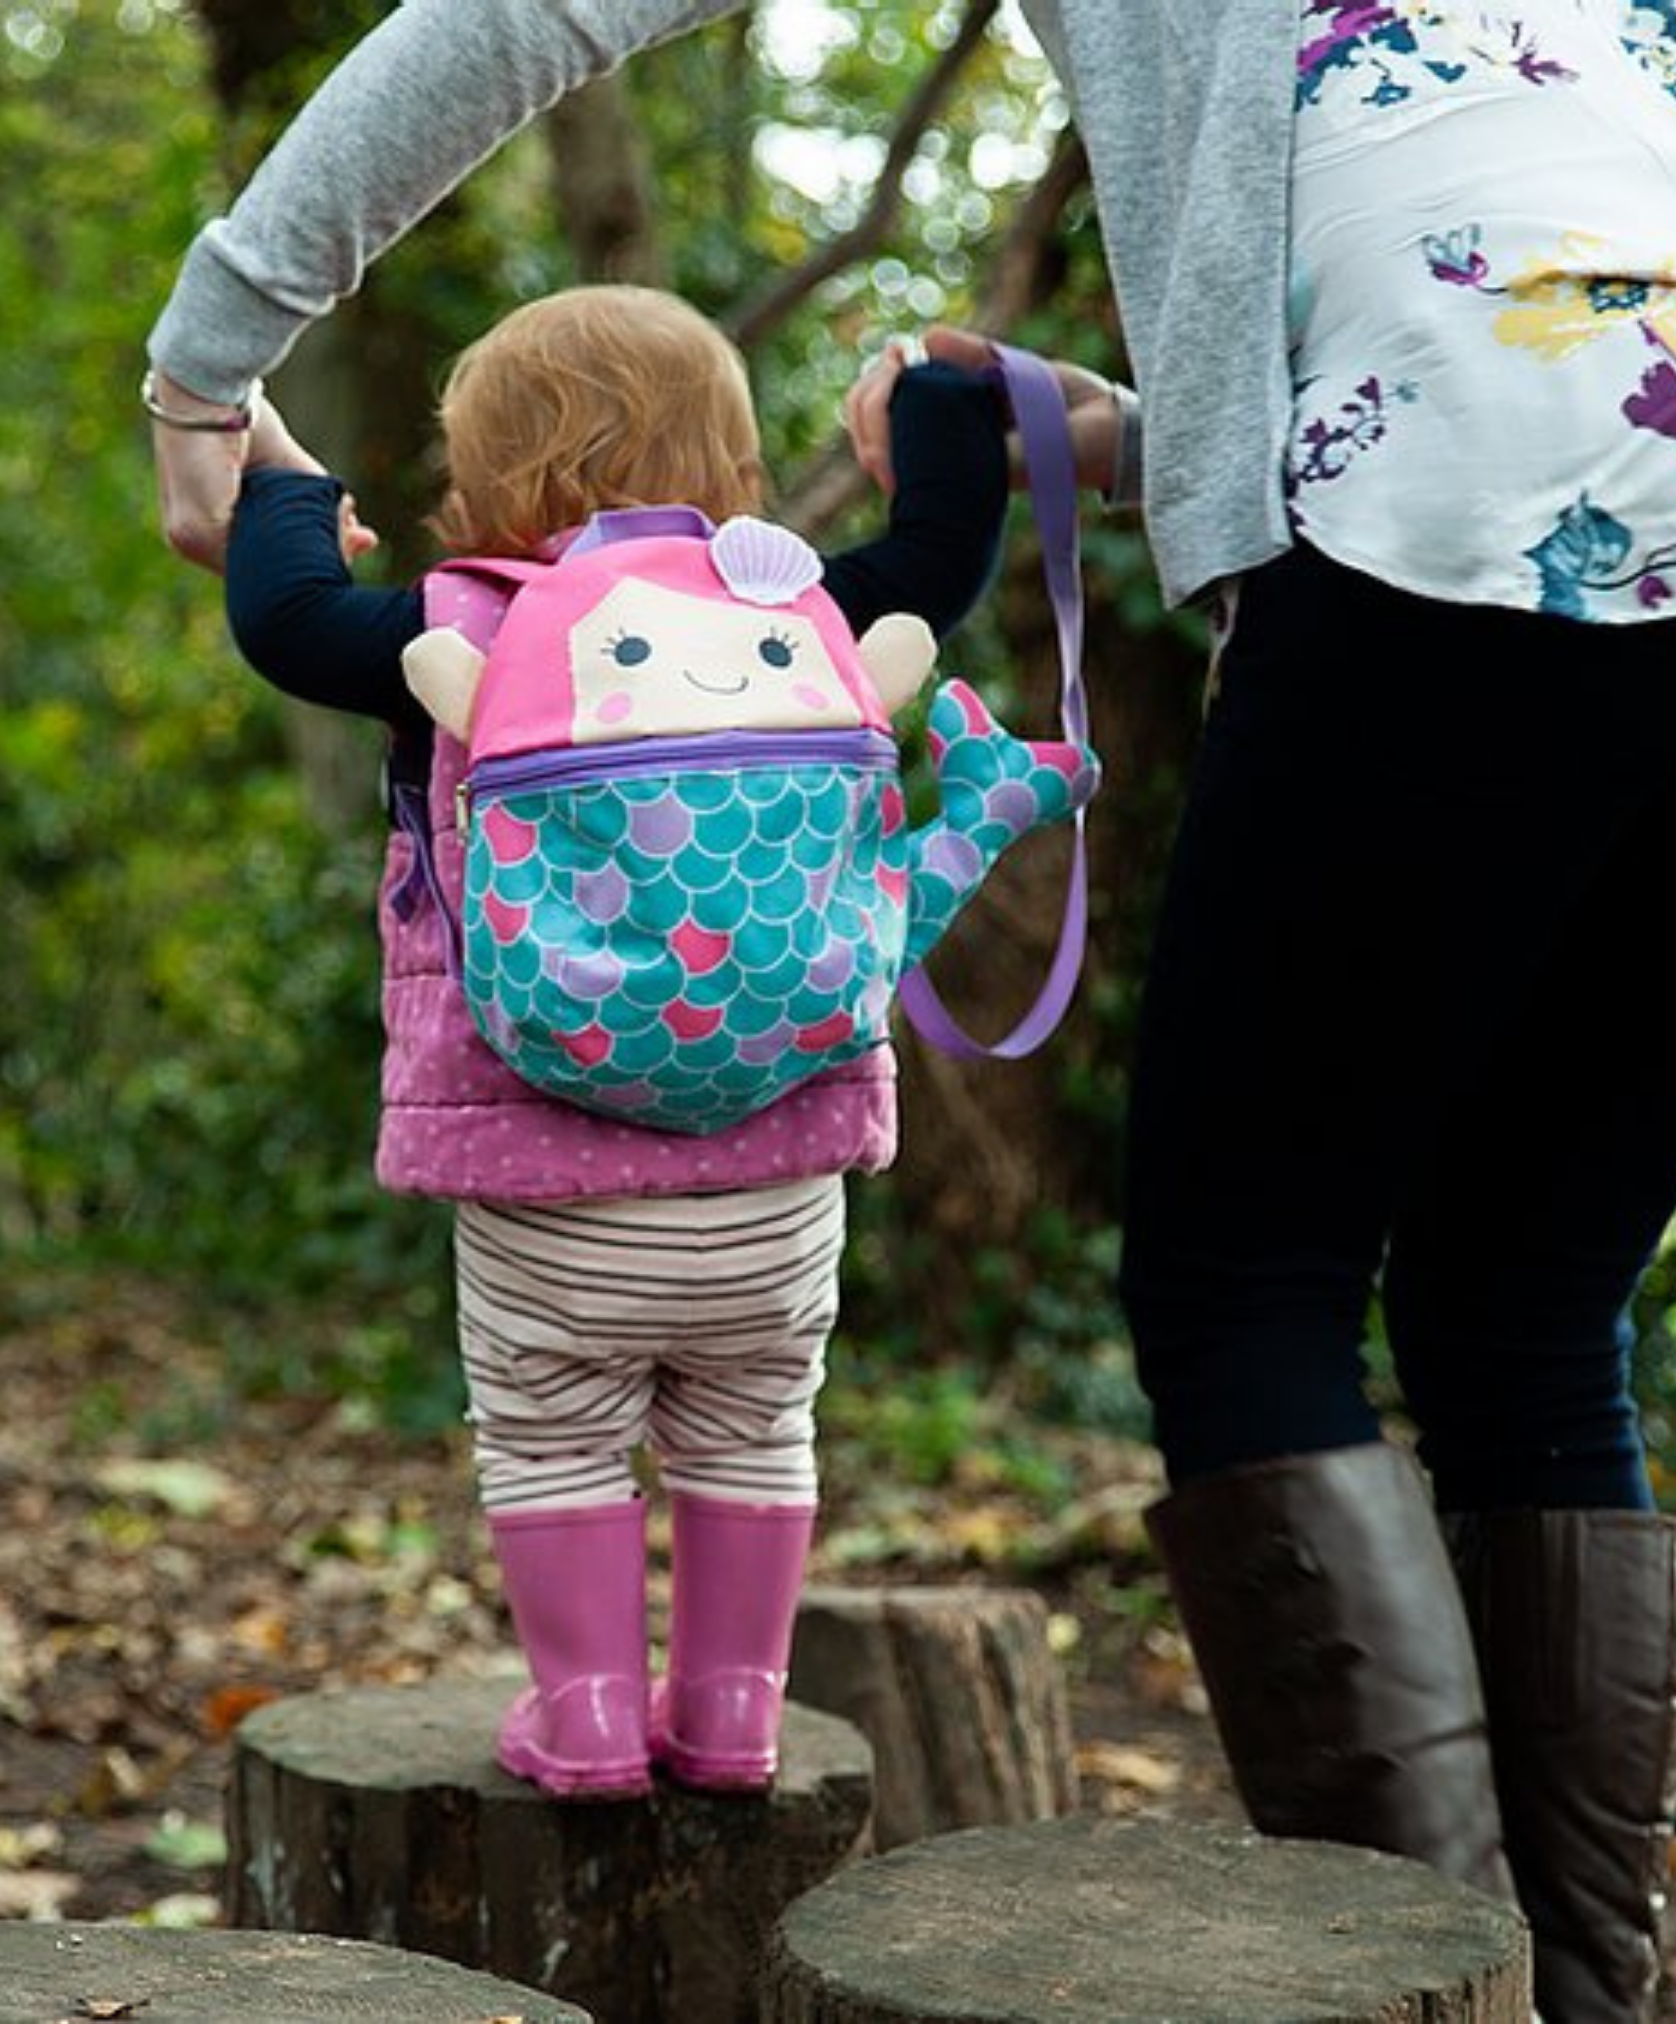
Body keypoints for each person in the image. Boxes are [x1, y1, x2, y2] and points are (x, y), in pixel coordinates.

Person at [146, 3, 1676, 2012]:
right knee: (1532, 1303)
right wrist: (1104, 431)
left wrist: (211, 356)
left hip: (1461, 466)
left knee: (1252, 1288)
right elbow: (1564, 238)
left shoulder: (490, 631)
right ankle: (1576, 1996)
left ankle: (1439, 2002)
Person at [204, 273, 1069, 1803]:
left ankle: (590, 1718)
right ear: (733, 466)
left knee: (551, 1442)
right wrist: (936, 398)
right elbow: (945, 551)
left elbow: (283, 619)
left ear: (483, 476)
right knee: (756, 1432)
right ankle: (734, 1717)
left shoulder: (459, 627)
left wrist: (284, 484)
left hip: (539, 1178)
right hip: (781, 1174)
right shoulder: (806, 618)